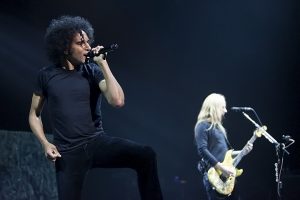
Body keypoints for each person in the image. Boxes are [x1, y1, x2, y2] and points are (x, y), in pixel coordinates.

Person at [28, 15, 163, 200]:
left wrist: (103, 64)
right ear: (65, 47)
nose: (88, 47)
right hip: (67, 153)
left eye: (87, 41)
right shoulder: (46, 75)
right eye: (80, 43)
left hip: (96, 143)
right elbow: (34, 115)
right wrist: (45, 143)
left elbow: (117, 101)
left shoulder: (92, 71)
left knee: (146, 155)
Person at [194, 93, 253, 200]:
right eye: (223, 107)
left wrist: (243, 151)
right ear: (214, 107)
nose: (225, 110)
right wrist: (221, 168)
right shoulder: (202, 125)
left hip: (228, 176)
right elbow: (202, 150)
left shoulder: (219, 128)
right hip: (215, 176)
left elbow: (227, 154)